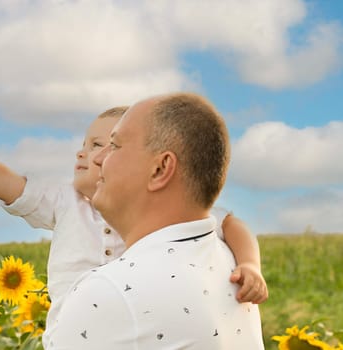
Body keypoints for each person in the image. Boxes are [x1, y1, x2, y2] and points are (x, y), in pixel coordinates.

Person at [0, 101, 267, 347]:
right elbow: (2, 180)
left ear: (157, 168)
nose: (84, 153)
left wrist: (250, 265)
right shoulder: (67, 204)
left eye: (106, 145)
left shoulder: (175, 231)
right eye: (86, 144)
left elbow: (231, 223)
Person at [47, 92, 265, 349]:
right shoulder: (228, 260)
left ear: (160, 169)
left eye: (115, 146)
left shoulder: (109, 291)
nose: (97, 158)